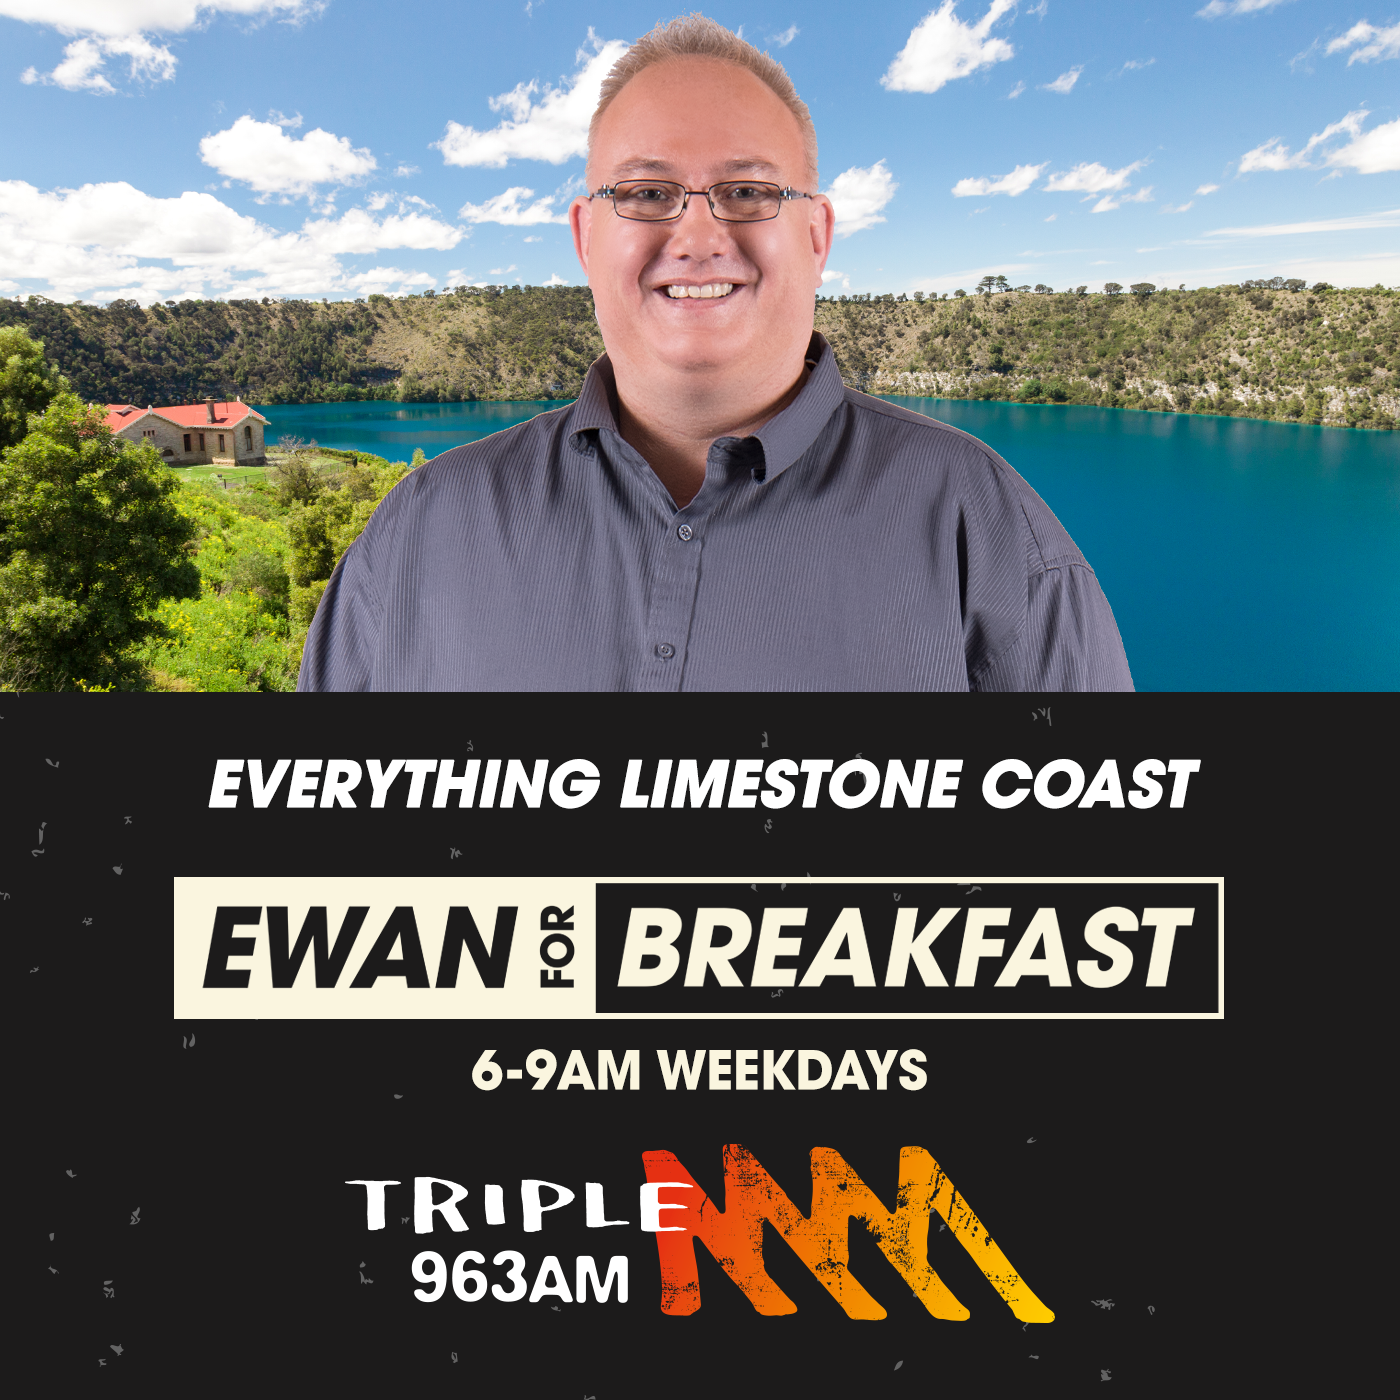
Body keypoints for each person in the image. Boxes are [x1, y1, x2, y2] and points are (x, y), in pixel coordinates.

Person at [299, 15, 1133, 692]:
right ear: (587, 237)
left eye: (746, 191)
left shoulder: (984, 533)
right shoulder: (418, 532)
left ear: (816, 234)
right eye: (648, 193)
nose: (698, 235)